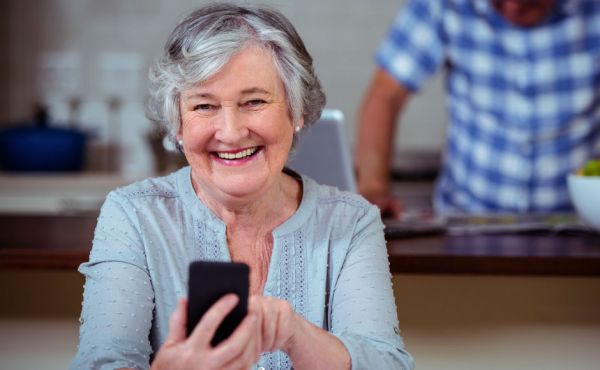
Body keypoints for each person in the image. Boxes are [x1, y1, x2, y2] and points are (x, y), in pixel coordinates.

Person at [70, 3, 414, 370]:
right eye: (204, 106)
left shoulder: (351, 221)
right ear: (178, 125)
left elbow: (386, 363)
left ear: (296, 112)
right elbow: (101, 363)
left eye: (254, 101)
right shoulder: (133, 215)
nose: (231, 132)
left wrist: (295, 334)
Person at [355, 0, 600, 216]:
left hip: (576, 225)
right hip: (465, 223)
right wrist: (374, 188)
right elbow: (385, 97)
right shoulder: (442, 5)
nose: (513, 5)